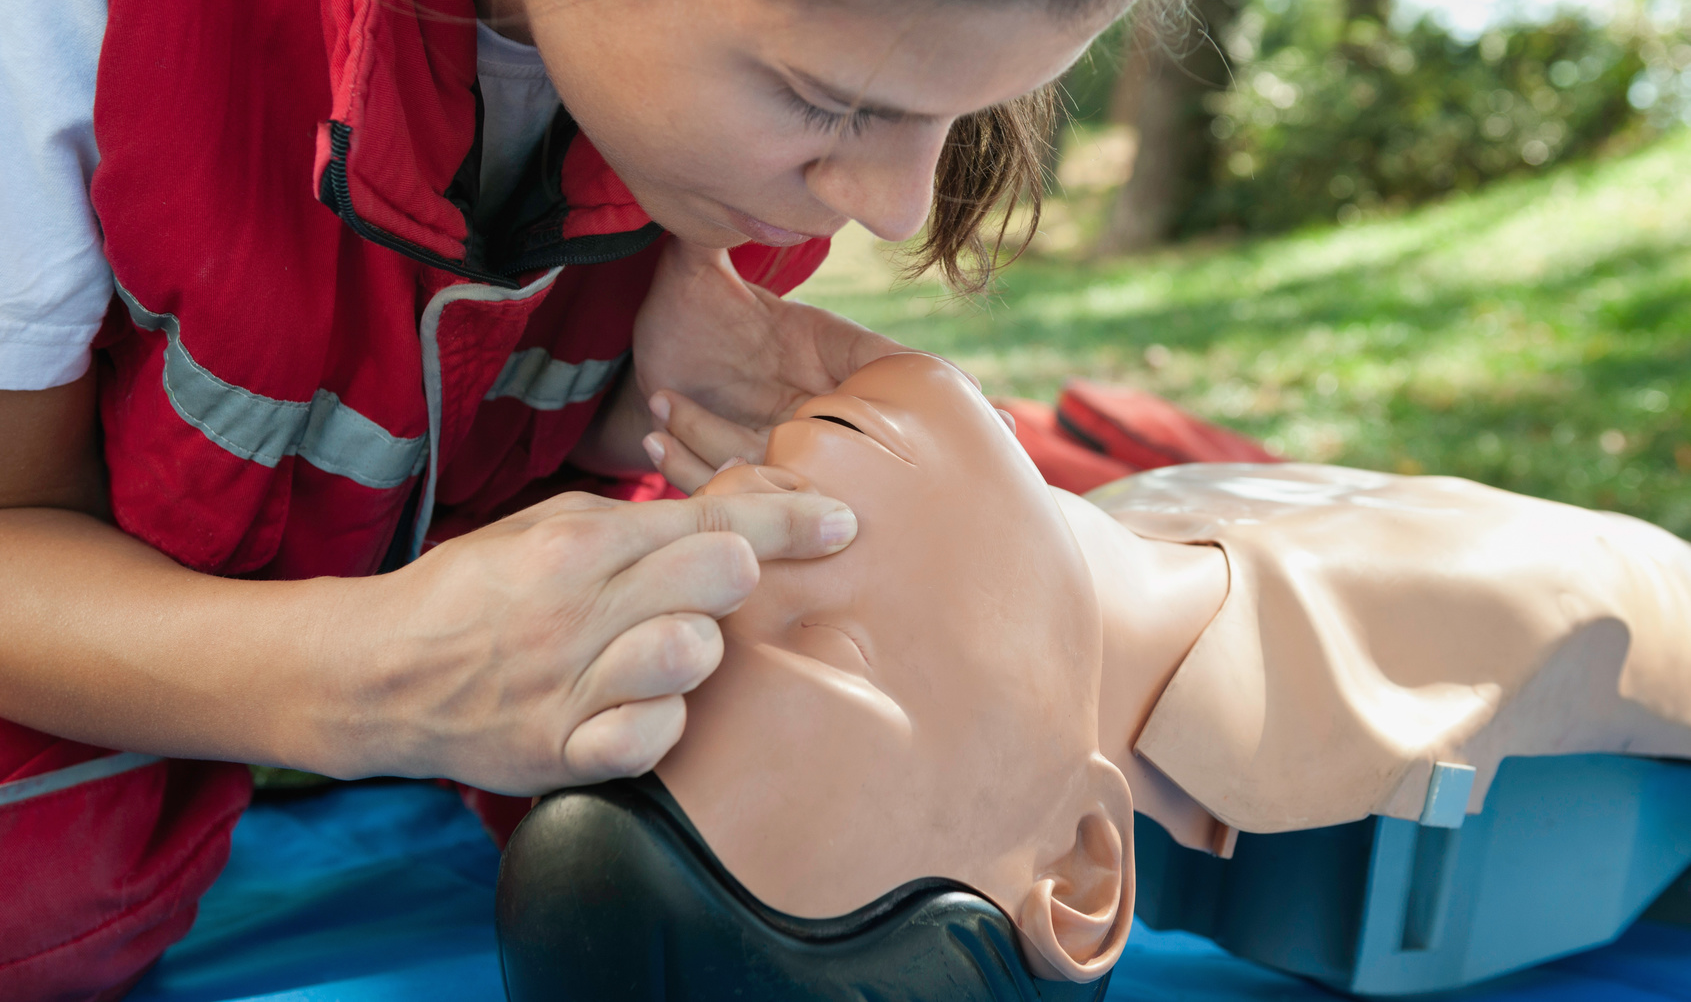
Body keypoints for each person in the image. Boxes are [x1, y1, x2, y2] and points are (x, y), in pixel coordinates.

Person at [0, 0, 1221, 996]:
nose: (897, 205)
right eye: (826, 102)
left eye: (973, 108)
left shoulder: (758, 105)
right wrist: (356, 677)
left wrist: (601, 407)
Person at [616, 352, 1691, 985]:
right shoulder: (1453, 643)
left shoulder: (1077, 539)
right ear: (1081, 866)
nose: (759, 533)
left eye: (715, 590)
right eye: (829, 647)